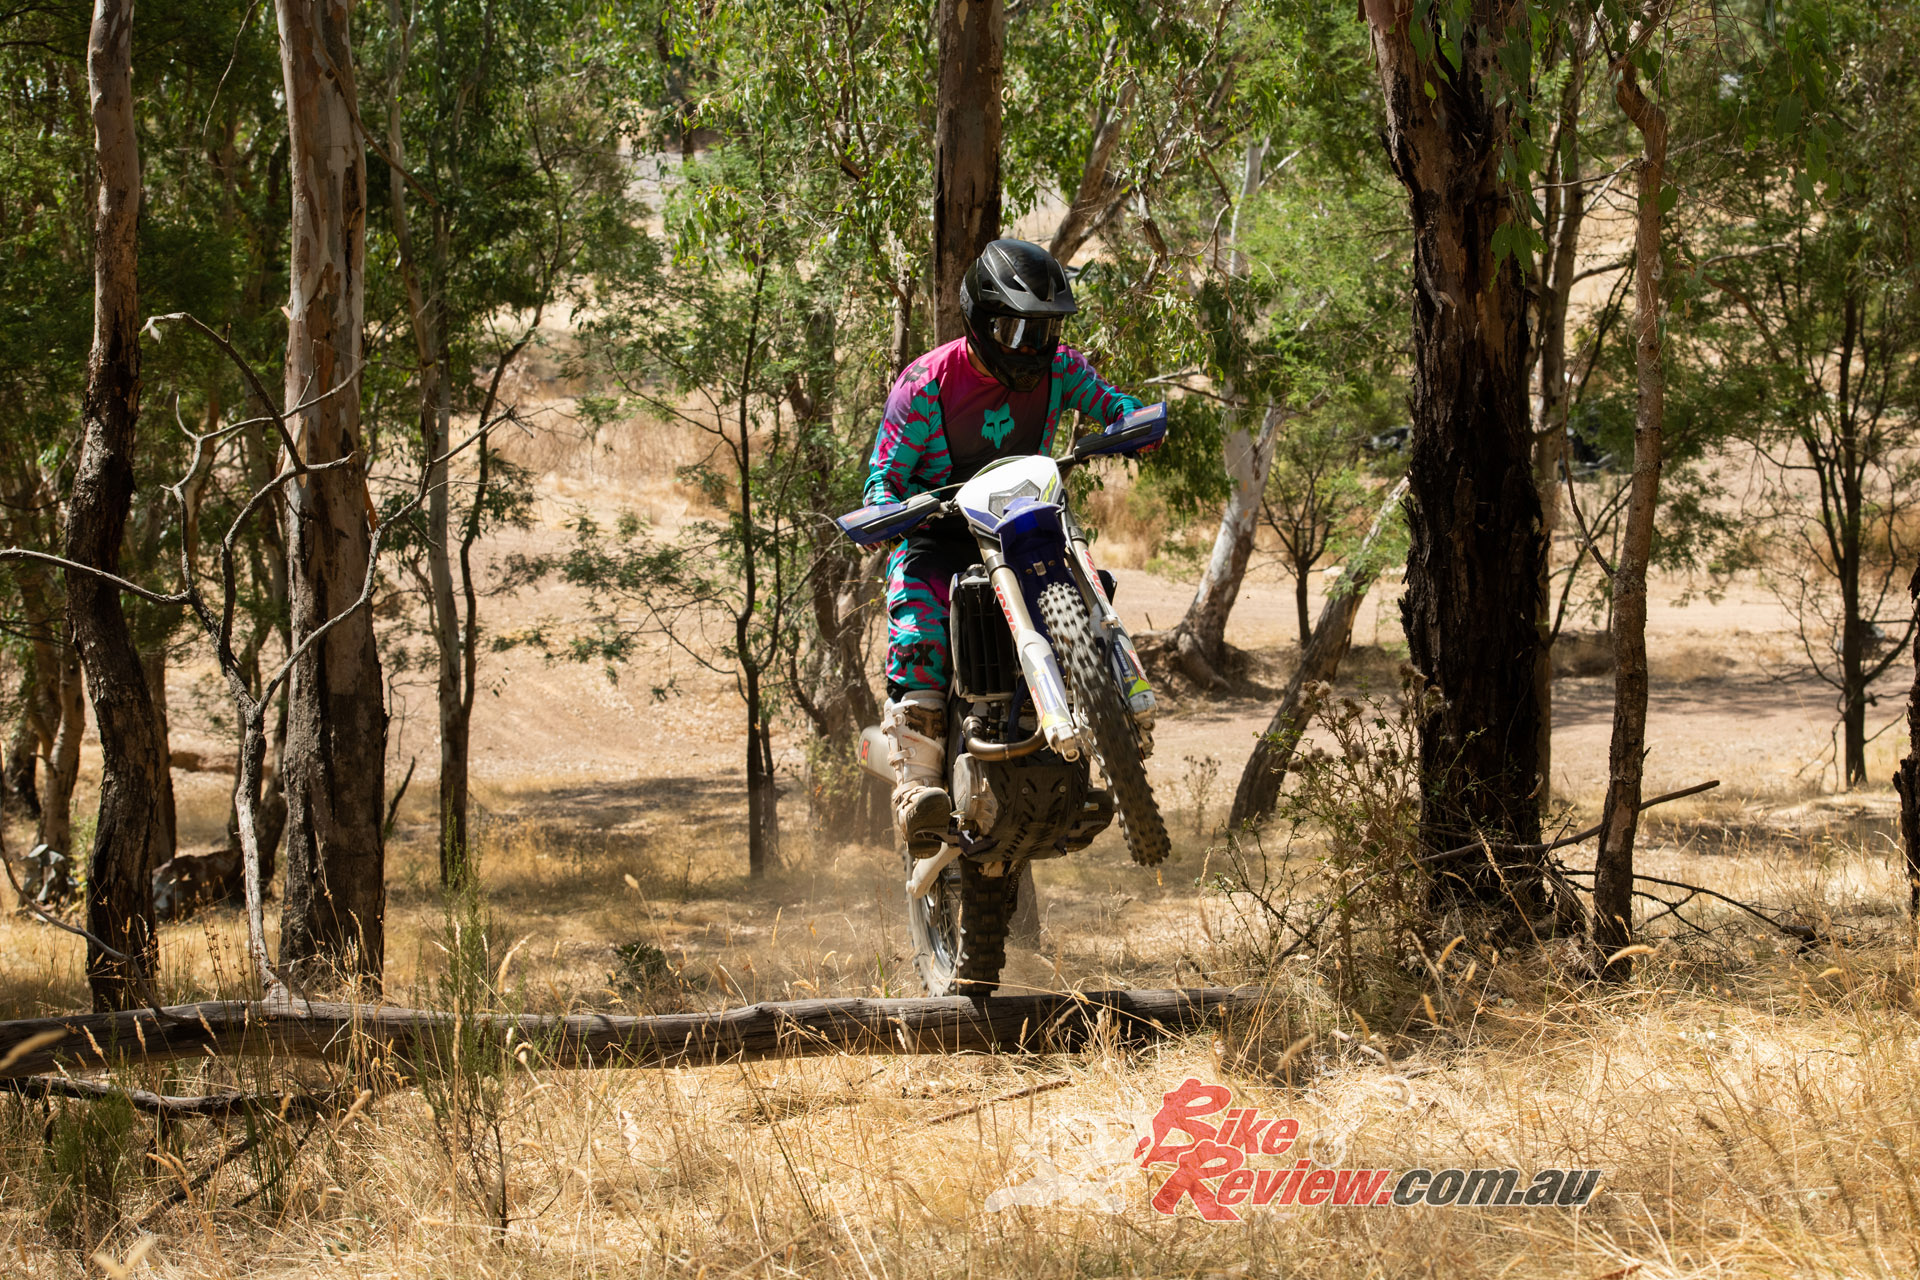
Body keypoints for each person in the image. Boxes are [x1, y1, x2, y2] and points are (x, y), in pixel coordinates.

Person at [864, 238, 1143, 853]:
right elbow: (884, 475)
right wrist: (886, 510)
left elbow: (1111, 404)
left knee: (1090, 584)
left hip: (1025, 528)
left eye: (1044, 331)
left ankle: (1103, 735)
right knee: (920, 625)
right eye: (1015, 331)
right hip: (940, 534)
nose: (1032, 347)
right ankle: (917, 785)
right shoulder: (926, 384)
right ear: (980, 320)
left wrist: (1131, 423)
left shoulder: (1061, 367)